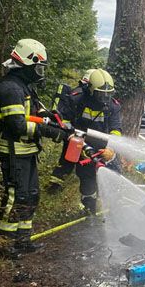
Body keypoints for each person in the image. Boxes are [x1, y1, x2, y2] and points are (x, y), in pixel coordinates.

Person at [0, 38, 66, 254]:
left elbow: (33, 115)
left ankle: (22, 240)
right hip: (14, 151)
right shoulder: (9, 88)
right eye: (38, 68)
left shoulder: (24, 87)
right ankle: (4, 244)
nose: (39, 73)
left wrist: (51, 120)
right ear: (27, 64)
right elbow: (17, 125)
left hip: (27, 152)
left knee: (32, 195)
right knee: (16, 196)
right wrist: (49, 131)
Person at [47, 68, 122, 214]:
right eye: (101, 94)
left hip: (101, 145)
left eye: (108, 94)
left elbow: (116, 129)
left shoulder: (113, 106)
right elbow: (65, 121)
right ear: (91, 90)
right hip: (76, 140)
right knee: (75, 169)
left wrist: (111, 148)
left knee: (101, 175)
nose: (105, 98)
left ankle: (100, 207)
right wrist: (74, 138)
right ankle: (80, 204)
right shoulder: (77, 99)